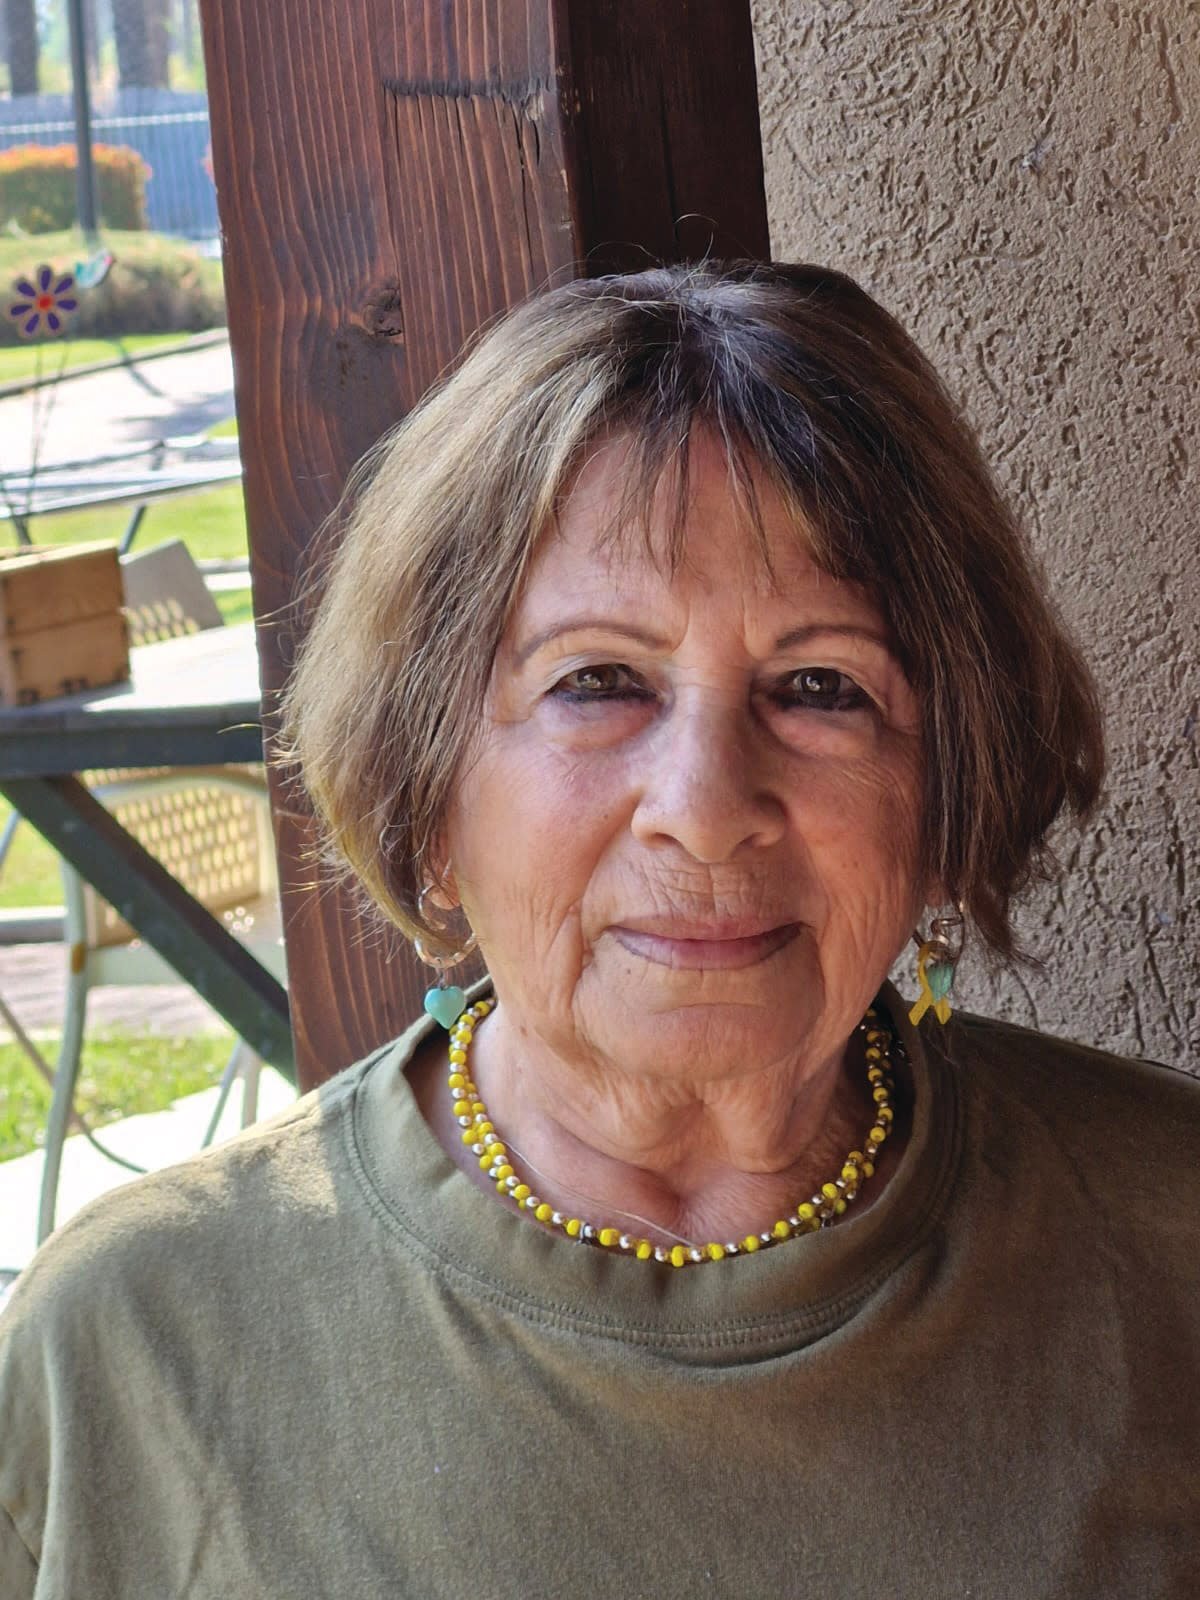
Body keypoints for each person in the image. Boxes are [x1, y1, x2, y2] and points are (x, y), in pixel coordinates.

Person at [1, 261, 1196, 1597]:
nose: (705, 810)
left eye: (819, 687)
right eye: (600, 681)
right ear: (427, 785)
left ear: (946, 788)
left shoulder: (1170, 1238)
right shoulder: (131, 1349)